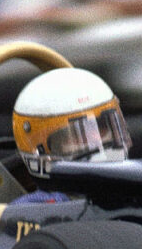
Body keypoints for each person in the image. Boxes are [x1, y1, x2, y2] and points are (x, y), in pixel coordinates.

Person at [9, 67, 131, 202]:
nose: (97, 139)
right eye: (79, 135)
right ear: (41, 152)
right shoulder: (35, 209)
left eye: (102, 127)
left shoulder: (137, 184)